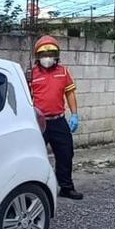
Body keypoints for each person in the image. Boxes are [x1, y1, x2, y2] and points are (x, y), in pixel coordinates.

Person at [28, 35, 83, 200]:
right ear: (38, 56)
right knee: (33, 156)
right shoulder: (31, 74)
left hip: (59, 121)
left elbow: (70, 93)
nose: (47, 58)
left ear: (56, 55)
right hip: (38, 122)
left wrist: (74, 114)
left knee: (66, 154)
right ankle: (31, 190)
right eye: (44, 55)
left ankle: (66, 187)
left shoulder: (63, 72)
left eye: (51, 54)